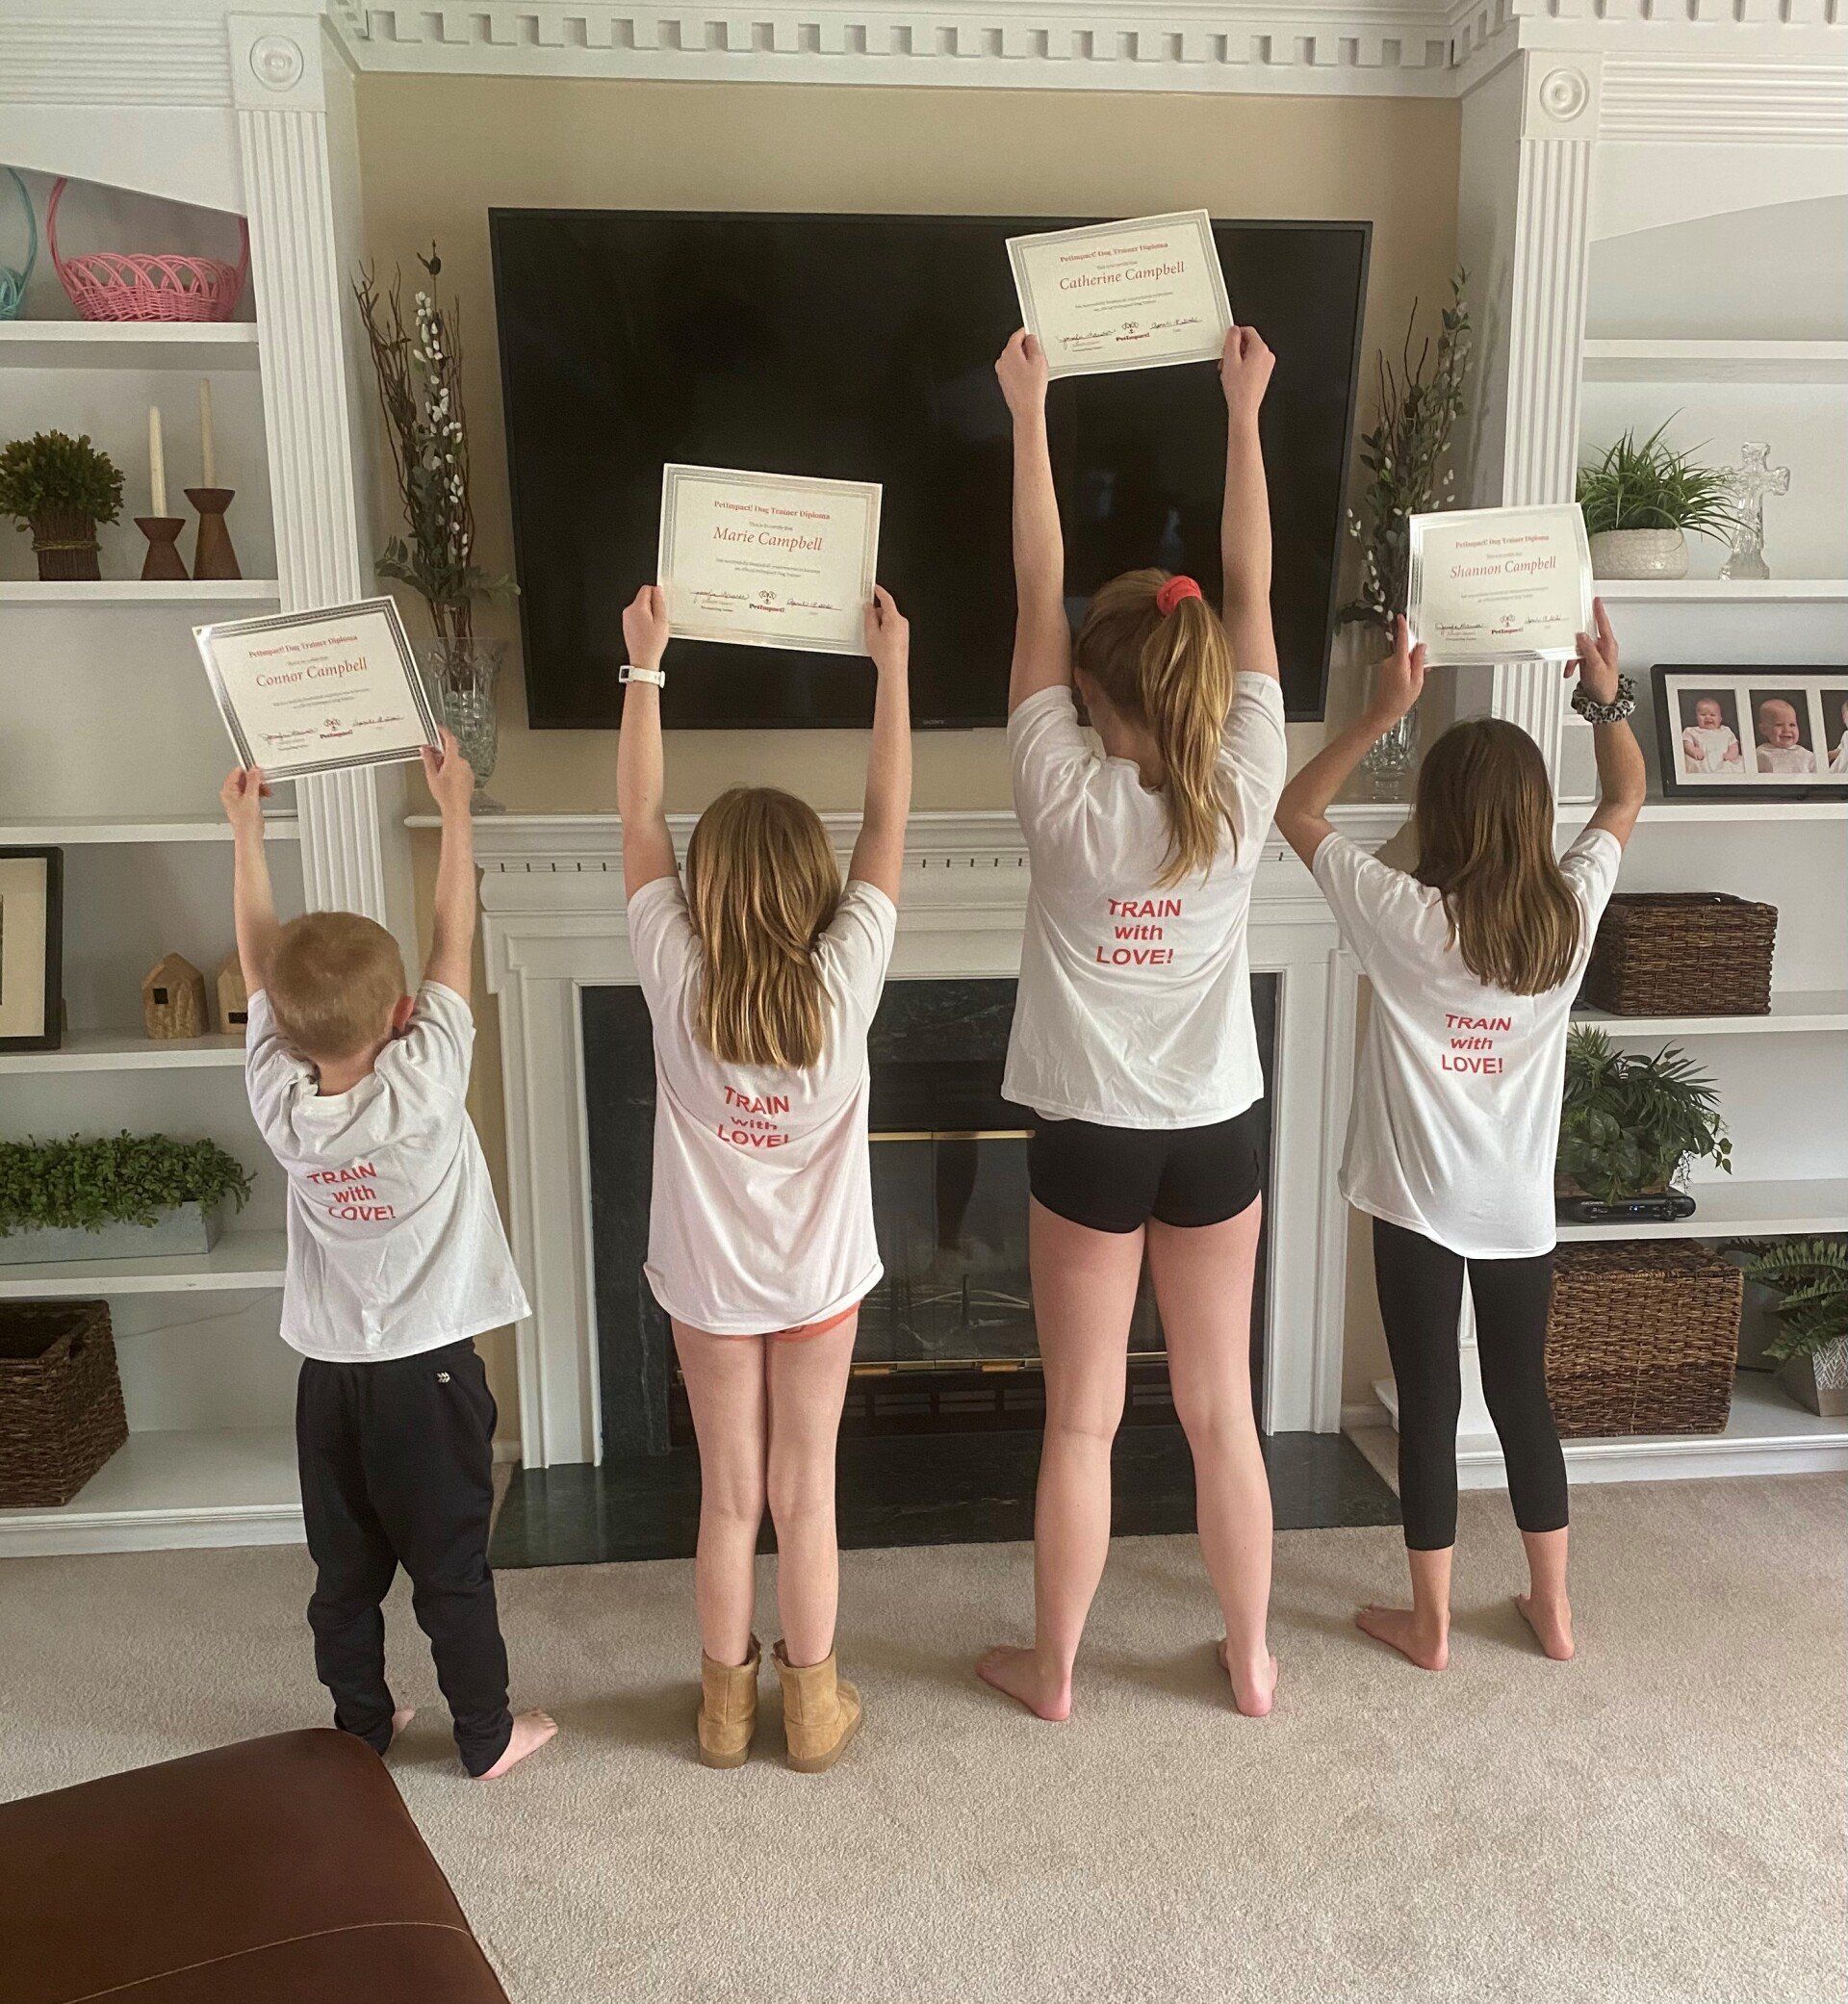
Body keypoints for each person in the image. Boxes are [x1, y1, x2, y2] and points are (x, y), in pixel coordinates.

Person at [977, 325, 1288, 1723]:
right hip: (1219, 1130)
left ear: (1093, 697)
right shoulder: (1252, 776)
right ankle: (1257, 1658)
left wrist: (1030, 411)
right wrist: (1244, 413)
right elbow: (1251, 584)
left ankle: (1054, 1670)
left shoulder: (1064, 798)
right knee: (1223, 1413)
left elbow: (1038, 583)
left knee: (1085, 1417)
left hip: (1092, 1143)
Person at [1273, 601, 1646, 1670]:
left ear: (1439, 815)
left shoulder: (1404, 917)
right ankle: (1553, 1608)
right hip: (1517, 1209)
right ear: (1534, 819)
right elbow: (1625, 793)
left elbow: (1299, 810)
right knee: (1523, 1396)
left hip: (1415, 1204)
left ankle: (1431, 1625)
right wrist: (1604, 690)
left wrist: (1383, 711)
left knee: (1428, 1402)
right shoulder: (1566, 916)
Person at [616, 581, 911, 1772]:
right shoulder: (844, 988)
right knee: (809, 1494)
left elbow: (638, 812)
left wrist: (647, 667)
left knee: (729, 1497)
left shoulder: (676, 981)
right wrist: (891, 676)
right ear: (814, 889)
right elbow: (888, 818)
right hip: (821, 1285)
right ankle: (815, 1709)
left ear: (704, 893)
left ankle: (725, 1713)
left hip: (706, 1286)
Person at [222, 731, 554, 1779]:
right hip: (431, 1373)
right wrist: (454, 811)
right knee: (450, 1567)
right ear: (405, 1016)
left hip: (331, 1378)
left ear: (279, 1019)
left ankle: (361, 1724)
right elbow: (454, 932)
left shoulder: (278, 1100)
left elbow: (257, 958)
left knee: (344, 1570)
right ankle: (488, 1737)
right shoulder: (427, 1084)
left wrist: (245, 828)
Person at [1680, 694, 1741, 775]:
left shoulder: (1726, 731)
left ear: (1720, 719)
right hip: (1701, 761)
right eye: (1703, 715)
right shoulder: (1692, 731)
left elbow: (1733, 744)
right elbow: (1686, 743)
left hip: (1724, 762)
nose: (1708, 718)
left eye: (1712, 715)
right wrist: (1693, 750)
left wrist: (1732, 754)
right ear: (1696, 718)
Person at [1753, 697, 1815, 775]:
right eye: (1779, 725)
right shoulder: (1761, 753)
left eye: (1792, 725)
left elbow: (1821, 772)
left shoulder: (1806, 755)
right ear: (1764, 729)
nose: (1786, 729)